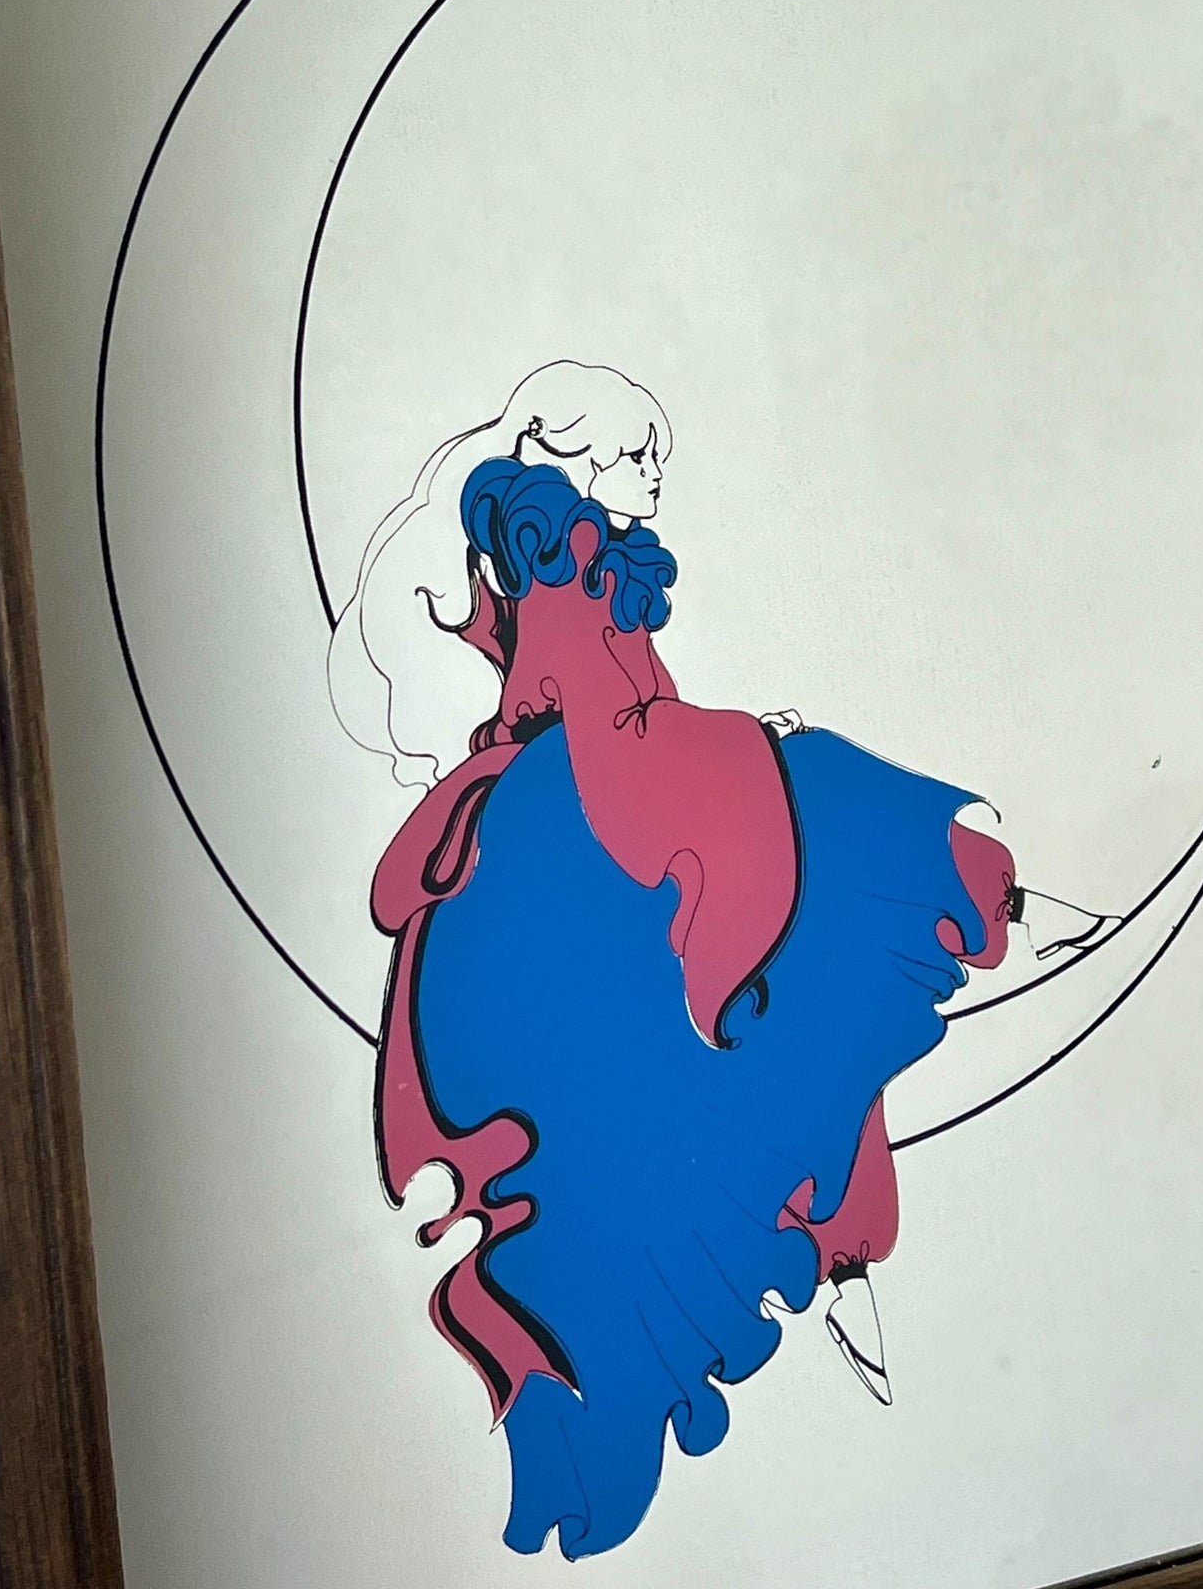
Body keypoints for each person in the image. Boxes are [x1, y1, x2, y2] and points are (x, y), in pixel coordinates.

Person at [331, 360, 1018, 1555]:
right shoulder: (561, 558)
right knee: (815, 849)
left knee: (799, 937)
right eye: (637, 449)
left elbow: (632, 707)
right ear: (575, 450)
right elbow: (603, 725)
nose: (654, 470)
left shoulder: (590, 558)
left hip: (617, 799)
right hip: (588, 824)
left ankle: (836, 1245)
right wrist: (738, 759)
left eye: (654, 454)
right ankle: (980, 914)